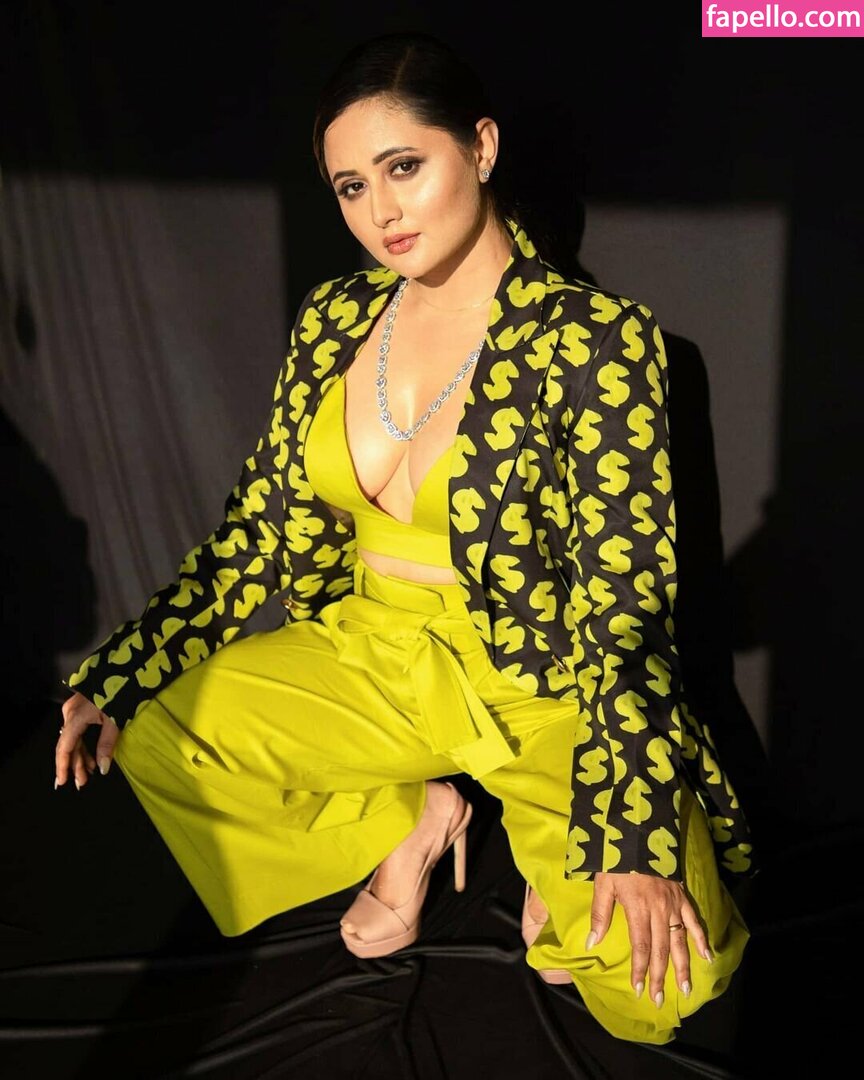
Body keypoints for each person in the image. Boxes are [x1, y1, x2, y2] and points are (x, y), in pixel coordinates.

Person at [55, 30, 754, 1046]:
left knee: (663, 991)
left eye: (403, 167)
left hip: (539, 683)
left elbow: (625, 607)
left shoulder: (594, 342)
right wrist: (122, 669)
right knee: (162, 730)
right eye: (351, 187)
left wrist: (633, 835)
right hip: (370, 651)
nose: (380, 212)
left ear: (481, 146)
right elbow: (258, 531)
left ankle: (554, 853)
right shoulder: (335, 318)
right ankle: (417, 817)